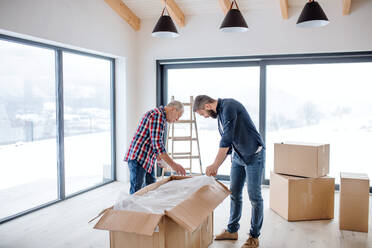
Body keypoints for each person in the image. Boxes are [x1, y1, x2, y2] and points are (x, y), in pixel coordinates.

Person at [193, 95, 265, 248]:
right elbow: (229, 144)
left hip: (254, 155)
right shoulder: (221, 113)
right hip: (238, 157)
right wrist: (216, 165)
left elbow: (226, 138)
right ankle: (232, 231)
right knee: (234, 193)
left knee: (254, 196)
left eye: (202, 114)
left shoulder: (229, 106)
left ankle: (254, 237)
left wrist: (215, 165)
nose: (204, 117)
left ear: (206, 106)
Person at [124, 101, 186, 194]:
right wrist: (173, 165)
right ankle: (131, 208)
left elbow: (152, 141)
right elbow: (157, 144)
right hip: (139, 158)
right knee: (137, 192)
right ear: (173, 109)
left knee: (151, 187)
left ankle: (146, 207)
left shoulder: (160, 116)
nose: (177, 120)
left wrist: (159, 158)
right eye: (178, 116)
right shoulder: (157, 116)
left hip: (146, 159)